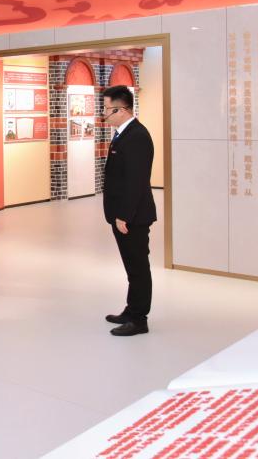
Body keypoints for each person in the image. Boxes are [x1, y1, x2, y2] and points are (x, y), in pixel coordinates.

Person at [100, 85, 157, 337]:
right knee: (131, 267)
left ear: (121, 110)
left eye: (107, 109)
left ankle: (139, 319)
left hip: (133, 216)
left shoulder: (137, 136)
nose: (104, 114)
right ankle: (131, 310)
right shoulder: (123, 134)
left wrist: (124, 215)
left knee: (138, 267)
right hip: (123, 214)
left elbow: (136, 181)